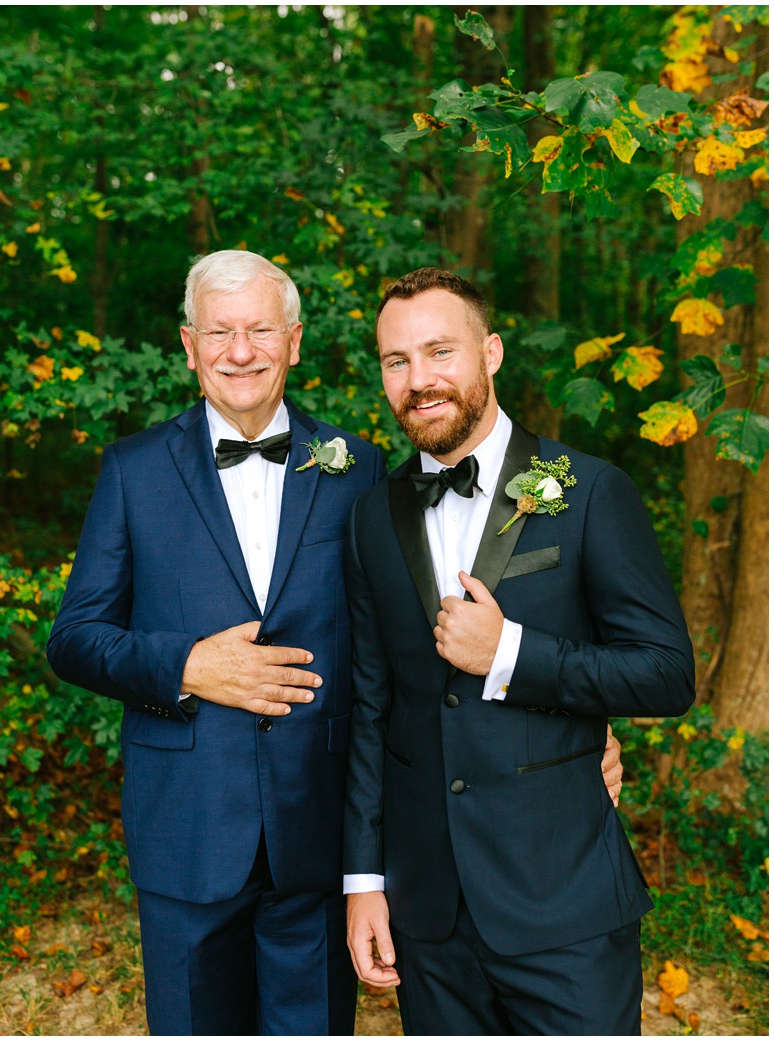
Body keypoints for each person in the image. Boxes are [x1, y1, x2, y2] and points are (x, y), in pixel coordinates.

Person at [342, 267, 695, 1035]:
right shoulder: (373, 514)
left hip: (564, 907)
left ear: (491, 352)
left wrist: (511, 651)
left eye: (440, 351)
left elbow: (667, 673)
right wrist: (364, 879)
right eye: (396, 360)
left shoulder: (591, 490)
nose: (419, 379)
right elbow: (373, 707)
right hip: (428, 910)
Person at [46, 250, 385, 1034]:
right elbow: (74, 637)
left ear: (294, 341)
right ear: (188, 344)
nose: (241, 350)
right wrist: (189, 664)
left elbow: (391, 656)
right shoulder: (132, 470)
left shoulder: (359, 468)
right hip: (187, 830)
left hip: (321, 829)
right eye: (220, 331)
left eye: (260, 329)